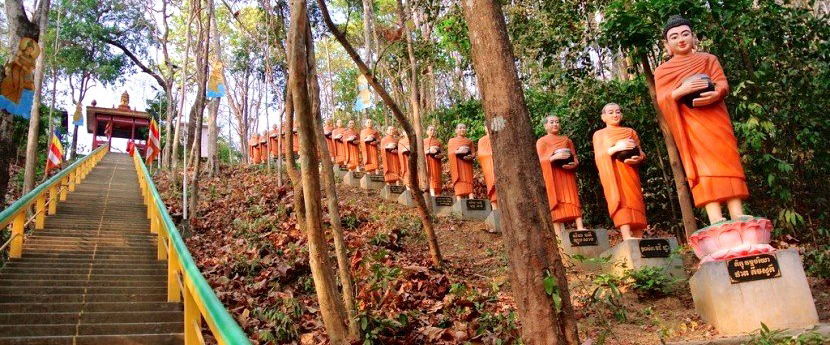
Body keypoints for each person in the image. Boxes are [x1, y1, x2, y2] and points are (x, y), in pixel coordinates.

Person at [655, 15, 749, 225]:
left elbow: (721, 83)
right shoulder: (663, 71)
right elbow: (663, 98)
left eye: (685, 34)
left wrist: (717, 93)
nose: (681, 39)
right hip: (692, 125)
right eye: (674, 36)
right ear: (667, 44)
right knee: (704, 167)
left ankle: (737, 211)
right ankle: (715, 217)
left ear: (694, 37)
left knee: (727, 159)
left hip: (716, 119)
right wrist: (680, 91)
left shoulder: (708, 59)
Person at [593, 103, 647, 240]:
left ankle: (639, 236)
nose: (615, 115)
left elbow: (640, 152)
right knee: (621, 200)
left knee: (635, 200)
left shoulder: (630, 132)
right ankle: (626, 234)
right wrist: (616, 148)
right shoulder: (599, 134)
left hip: (630, 171)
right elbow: (599, 155)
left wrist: (638, 158)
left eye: (618, 111)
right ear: (603, 117)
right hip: (614, 173)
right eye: (610, 112)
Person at [536, 116, 584, 233]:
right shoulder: (542, 141)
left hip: (567, 173)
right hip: (553, 175)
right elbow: (540, 160)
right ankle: (557, 232)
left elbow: (575, 157)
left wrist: (574, 164)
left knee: (573, 198)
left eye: (557, 122)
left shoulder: (567, 140)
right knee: (555, 200)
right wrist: (552, 158)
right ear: (545, 126)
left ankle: (580, 227)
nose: (555, 124)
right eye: (552, 122)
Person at [447, 123, 475, 200]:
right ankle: (459, 199)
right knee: (459, 180)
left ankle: (471, 197)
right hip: (457, 164)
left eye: (464, 128)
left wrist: (471, 156)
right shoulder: (452, 141)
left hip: (467, 164)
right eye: (460, 128)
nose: (462, 129)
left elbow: (473, 153)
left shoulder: (469, 141)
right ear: (456, 130)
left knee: (468, 180)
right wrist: (458, 151)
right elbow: (450, 153)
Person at [477, 127, 497, 207]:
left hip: (499, 165)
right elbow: (481, 154)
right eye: (486, 127)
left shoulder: (497, 138)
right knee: (491, 184)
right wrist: (491, 154)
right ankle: (494, 207)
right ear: (485, 129)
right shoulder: (482, 140)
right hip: (488, 165)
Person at [424, 125, 443, 196]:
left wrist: (440, 155)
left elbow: (442, 152)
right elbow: (421, 152)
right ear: (427, 132)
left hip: (436, 161)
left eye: (434, 130)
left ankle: (438, 193)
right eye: (431, 130)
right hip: (428, 161)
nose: (432, 131)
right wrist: (429, 150)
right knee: (430, 176)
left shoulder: (438, 142)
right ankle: (432, 194)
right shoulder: (424, 141)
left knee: (437, 176)